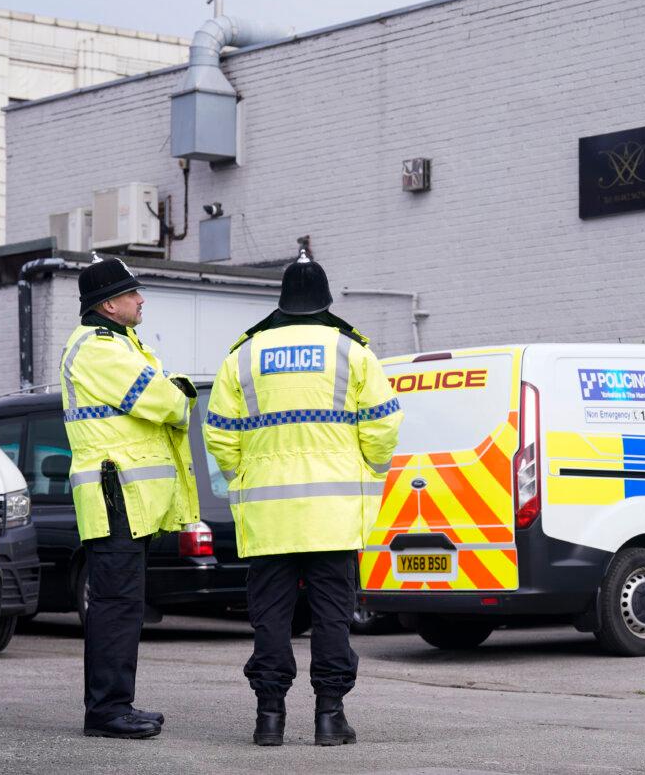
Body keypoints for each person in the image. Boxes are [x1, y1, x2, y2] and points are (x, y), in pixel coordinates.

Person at [203, 252, 402, 747]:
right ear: (326, 300)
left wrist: (244, 477)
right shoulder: (352, 352)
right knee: (332, 616)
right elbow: (383, 425)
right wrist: (366, 470)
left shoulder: (243, 356)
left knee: (270, 617)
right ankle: (330, 718)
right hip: (333, 514)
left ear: (282, 300)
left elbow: (220, 435)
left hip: (268, 515)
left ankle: (268, 719)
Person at [59, 257, 199, 739]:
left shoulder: (119, 342)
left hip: (123, 498)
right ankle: (106, 712)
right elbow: (163, 401)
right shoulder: (99, 349)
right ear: (109, 304)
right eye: (132, 293)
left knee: (122, 604)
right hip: (114, 495)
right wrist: (179, 396)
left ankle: (116, 704)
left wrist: (171, 396)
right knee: (117, 605)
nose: (141, 300)